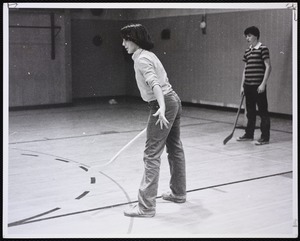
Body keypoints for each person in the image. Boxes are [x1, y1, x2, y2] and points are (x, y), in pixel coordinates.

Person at [121, 24, 186, 218]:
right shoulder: (148, 55)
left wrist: (162, 109)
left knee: (151, 154)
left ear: (135, 39)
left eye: (126, 39)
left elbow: (155, 85)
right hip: (173, 99)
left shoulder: (142, 59)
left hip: (163, 103)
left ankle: (146, 207)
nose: (123, 43)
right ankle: (178, 193)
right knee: (175, 148)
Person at [237, 26, 272, 145]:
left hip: (258, 86)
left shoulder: (263, 48)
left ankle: (265, 137)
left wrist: (263, 84)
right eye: (246, 36)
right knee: (250, 112)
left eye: (249, 35)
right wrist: (242, 86)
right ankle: (249, 135)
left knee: (263, 112)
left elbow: (268, 67)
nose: (247, 38)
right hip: (248, 86)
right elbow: (245, 69)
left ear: (255, 36)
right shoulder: (247, 51)